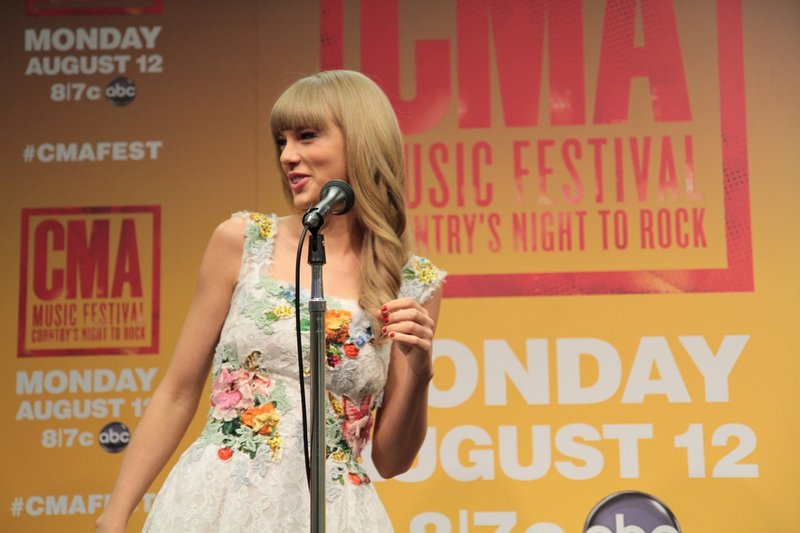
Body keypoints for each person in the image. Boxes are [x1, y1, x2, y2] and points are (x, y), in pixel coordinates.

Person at [95, 69, 445, 532]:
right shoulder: (243, 241)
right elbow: (177, 393)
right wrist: (114, 516)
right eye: (282, 141)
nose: (287, 156)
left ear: (361, 142)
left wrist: (421, 372)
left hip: (335, 513)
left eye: (306, 136)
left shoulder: (411, 282)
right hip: (221, 502)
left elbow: (392, 460)